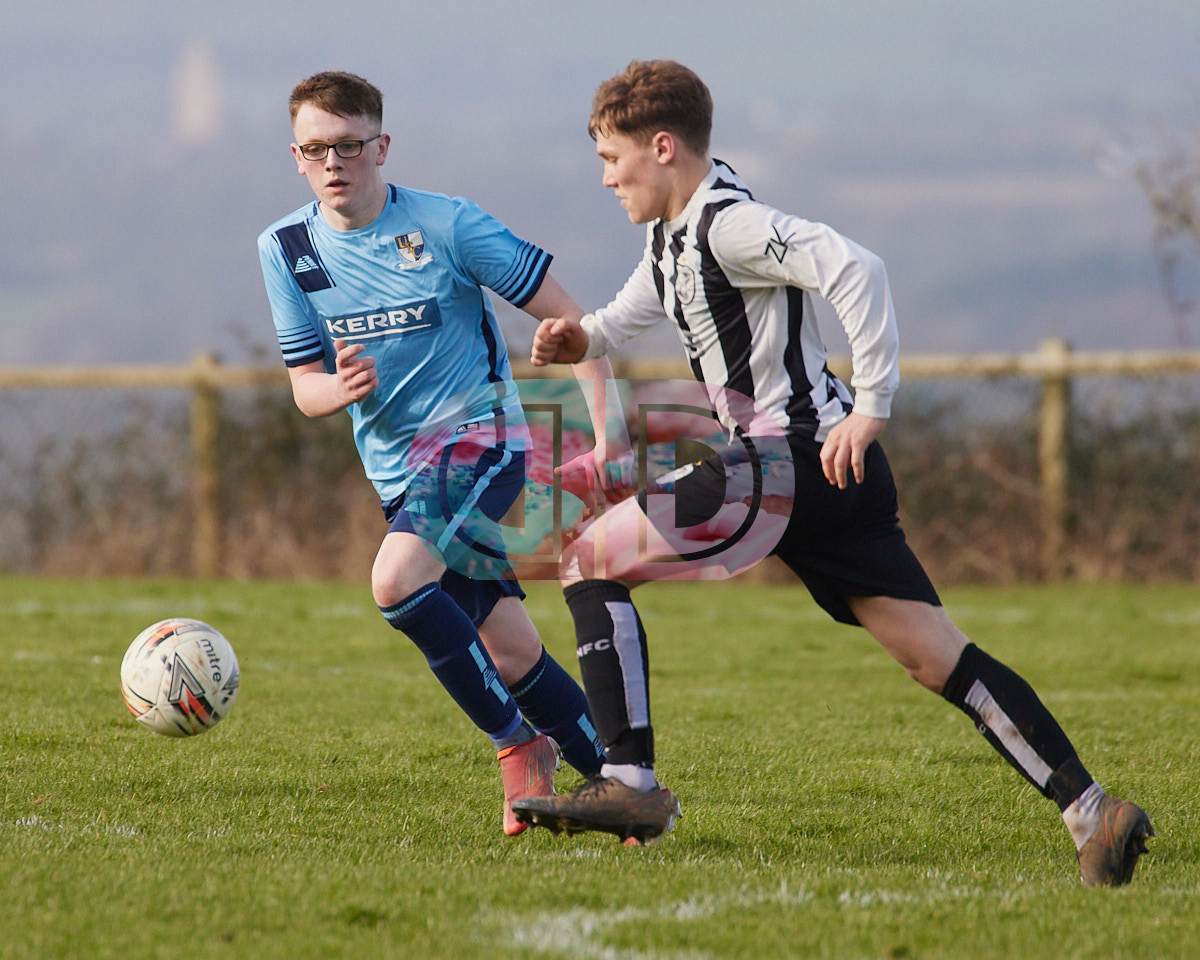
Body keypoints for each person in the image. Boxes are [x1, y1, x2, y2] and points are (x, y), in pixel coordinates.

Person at [511, 59, 1154, 885]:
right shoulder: (673, 233)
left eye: (612, 158)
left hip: (782, 463)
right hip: (829, 476)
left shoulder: (730, 225)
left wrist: (873, 403)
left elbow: (858, 267)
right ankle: (1093, 812)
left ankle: (629, 781)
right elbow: (645, 299)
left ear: (662, 147)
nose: (606, 178)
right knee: (934, 656)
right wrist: (587, 337)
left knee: (588, 559)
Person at [256, 70, 610, 836]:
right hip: (399, 475)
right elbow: (304, 388)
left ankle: (516, 743)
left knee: (395, 580)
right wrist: (339, 389)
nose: (333, 162)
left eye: (349, 145)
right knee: (509, 651)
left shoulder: (449, 225)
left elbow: (575, 322)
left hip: (483, 442)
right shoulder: (285, 248)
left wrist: (610, 434)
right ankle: (626, 787)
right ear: (295, 156)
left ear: (381, 146)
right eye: (316, 149)